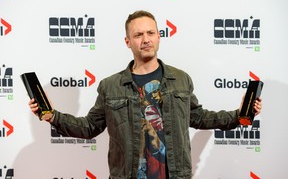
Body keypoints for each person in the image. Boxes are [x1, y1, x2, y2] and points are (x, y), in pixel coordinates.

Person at [28, 10, 263, 179]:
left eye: (151, 32)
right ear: (128, 41)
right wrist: (53, 117)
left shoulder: (180, 79)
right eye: (138, 35)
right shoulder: (111, 86)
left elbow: (200, 117)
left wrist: (241, 113)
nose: (146, 39)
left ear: (159, 36)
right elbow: (90, 127)